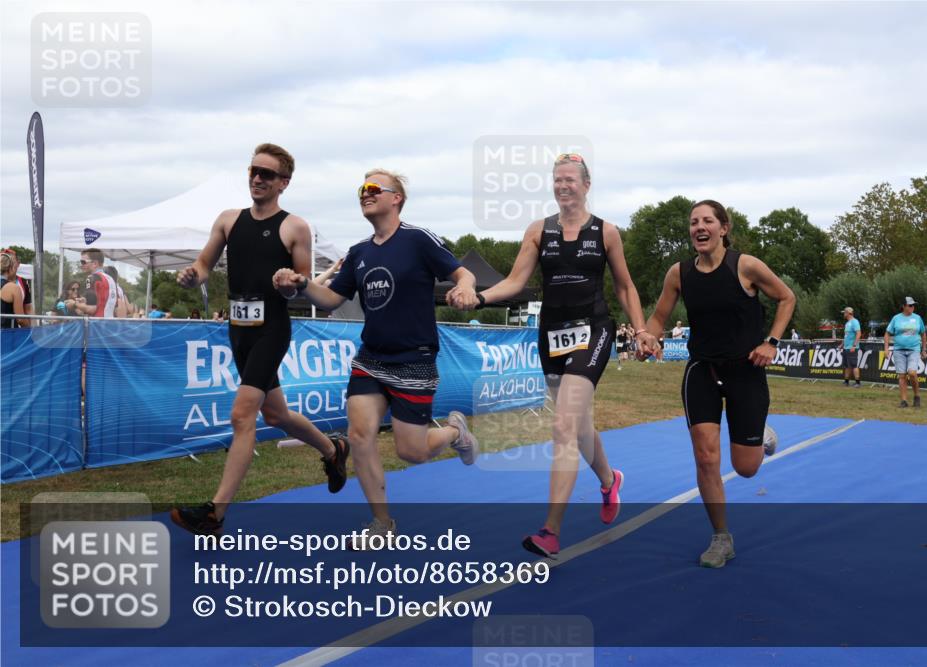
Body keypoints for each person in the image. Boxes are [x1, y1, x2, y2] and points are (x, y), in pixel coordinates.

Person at [456, 153, 657, 558]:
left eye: (570, 180)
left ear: (586, 184)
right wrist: (478, 298)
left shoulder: (606, 232)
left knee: (564, 425)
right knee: (579, 425)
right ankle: (609, 479)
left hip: (593, 330)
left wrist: (640, 329)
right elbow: (514, 283)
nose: (563, 186)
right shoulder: (538, 231)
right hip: (550, 336)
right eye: (557, 180)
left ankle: (551, 530)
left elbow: (625, 287)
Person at [274, 168, 479, 546]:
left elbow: (463, 274)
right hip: (371, 359)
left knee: (411, 452)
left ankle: (454, 431)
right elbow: (332, 300)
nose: (364, 194)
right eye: (361, 189)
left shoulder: (418, 240)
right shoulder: (359, 253)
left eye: (372, 188)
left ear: (396, 198)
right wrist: (304, 285)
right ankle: (382, 523)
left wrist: (465, 289)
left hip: (414, 360)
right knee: (360, 434)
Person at [170, 143, 349, 537]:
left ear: (284, 182)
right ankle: (333, 450)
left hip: (271, 329)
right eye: (254, 170)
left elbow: (299, 287)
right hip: (238, 329)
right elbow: (203, 265)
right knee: (276, 415)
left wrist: (291, 282)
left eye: (267, 174)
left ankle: (214, 515)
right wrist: (192, 275)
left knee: (241, 415)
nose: (257, 178)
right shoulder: (228, 220)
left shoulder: (295, 227)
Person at [644, 199, 795, 569]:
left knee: (746, 468)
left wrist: (771, 343)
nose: (700, 227)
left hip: (745, 370)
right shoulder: (678, 273)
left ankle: (761, 435)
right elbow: (659, 317)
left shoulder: (745, 266)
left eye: (708, 221)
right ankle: (721, 537)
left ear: (723, 228)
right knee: (706, 456)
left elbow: (786, 298)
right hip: (702, 371)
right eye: (694, 222)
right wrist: (647, 337)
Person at [884, 296, 927, 408]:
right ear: (903, 306)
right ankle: (904, 401)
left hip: (914, 349)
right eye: (910, 305)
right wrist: (886, 349)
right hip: (899, 350)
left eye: (913, 305)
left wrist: (924, 349)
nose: (913, 307)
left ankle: (917, 396)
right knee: (902, 376)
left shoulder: (918, 318)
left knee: (912, 373)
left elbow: (923, 334)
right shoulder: (896, 318)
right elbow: (887, 333)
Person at [75, 249, 118, 318]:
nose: (82, 265)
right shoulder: (110, 279)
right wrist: (85, 300)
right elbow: (103, 302)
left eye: (83, 262)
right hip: (110, 322)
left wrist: (74, 304)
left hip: (96, 324)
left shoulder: (91, 278)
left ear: (94, 263)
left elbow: (91, 309)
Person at [1, 249, 33, 326]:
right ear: (12, 267)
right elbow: (21, 319)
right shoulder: (14, 288)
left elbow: (28, 308)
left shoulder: (23, 282)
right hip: (8, 333)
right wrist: (29, 331)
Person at [840, 307, 862, 387]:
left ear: (848, 313)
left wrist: (854, 346)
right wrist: (842, 345)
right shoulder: (847, 323)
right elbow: (846, 336)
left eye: (844, 312)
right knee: (846, 366)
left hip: (852, 348)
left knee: (853, 365)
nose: (844, 314)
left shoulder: (855, 322)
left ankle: (858, 382)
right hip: (846, 348)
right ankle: (846, 382)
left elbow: (858, 334)